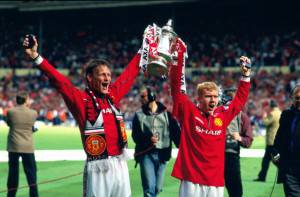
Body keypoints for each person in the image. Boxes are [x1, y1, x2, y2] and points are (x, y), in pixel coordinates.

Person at [23, 34, 141, 197]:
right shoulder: (81, 99)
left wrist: (144, 50)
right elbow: (59, 81)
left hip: (120, 163)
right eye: (102, 74)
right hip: (98, 167)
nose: (107, 78)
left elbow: (128, 75)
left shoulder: (112, 96)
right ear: (90, 78)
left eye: (109, 74)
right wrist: (36, 57)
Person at [169, 38, 252, 197]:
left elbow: (239, 101)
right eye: (208, 96)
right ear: (199, 99)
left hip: (215, 181)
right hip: (191, 179)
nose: (213, 100)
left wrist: (246, 75)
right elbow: (176, 89)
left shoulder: (222, 115)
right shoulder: (189, 112)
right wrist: (177, 60)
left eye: (215, 96)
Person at [132, 86, 180, 197]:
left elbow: (176, 134)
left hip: (163, 155)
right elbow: (135, 136)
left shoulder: (167, 115)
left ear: (152, 96)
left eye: (143, 96)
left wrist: (183, 148)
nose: (141, 99)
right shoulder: (138, 115)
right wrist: (148, 138)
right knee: (149, 189)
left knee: (157, 188)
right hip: (146, 155)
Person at [221, 88, 253, 197]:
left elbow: (248, 141)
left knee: (235, 192)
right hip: (214, 157)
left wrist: (239, 138)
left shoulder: (242, 116)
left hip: (231, 157)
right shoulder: (215, 113)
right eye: (228, 98)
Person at [6, 91, 38, 197]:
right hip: (27, 147)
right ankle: (34, 195)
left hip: (14, 146)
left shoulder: (10, 112)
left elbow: (9, 124)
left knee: (13, 173)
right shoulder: (33, 113)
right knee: (31, 174)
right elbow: (30, 127)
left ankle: (11, 195)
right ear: (26, 100)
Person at [272, 85, 300, 196]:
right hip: (290, 169)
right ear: (291, 98)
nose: (299, 100)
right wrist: (275, 151)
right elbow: (279, 138)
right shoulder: (286, 115)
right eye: (297, 97)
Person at [254, 99, 281, 182]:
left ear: (271, 106)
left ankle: (262, 177)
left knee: (269, 161)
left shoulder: (273, 114)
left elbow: (265, 122)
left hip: (271, 141)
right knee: (274, 160)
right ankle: (264, 176)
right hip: (277, 140)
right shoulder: (280, 112)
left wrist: (264, 115)